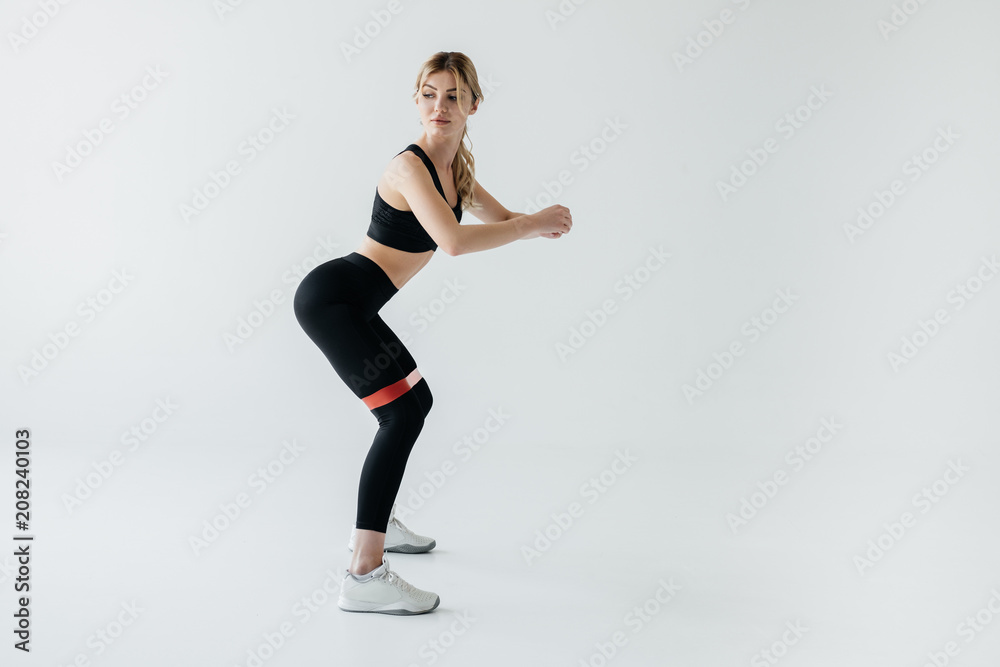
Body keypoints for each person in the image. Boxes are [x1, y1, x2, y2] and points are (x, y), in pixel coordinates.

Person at [292, 51, 572, 615]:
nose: (438, 107)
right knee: (400, 413)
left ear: (473, 105)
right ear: (416, 100)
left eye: (451, 96)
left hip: (359, 306)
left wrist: (537, 223)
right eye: (428, 94)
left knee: (415, 402)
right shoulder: (410, 167)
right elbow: (454, 242)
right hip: (333, 300)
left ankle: (378, 522)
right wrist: (531, 225)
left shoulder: (455, 171)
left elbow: (498, 219)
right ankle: (363, 573)